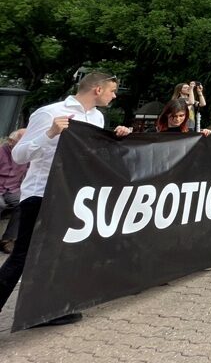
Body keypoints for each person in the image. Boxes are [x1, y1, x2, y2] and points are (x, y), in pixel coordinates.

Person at [0, 72, 132, 326]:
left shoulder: (96, 117)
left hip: (72, 193)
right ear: (97, 89)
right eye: (112, 90)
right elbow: (19, 155)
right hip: (40, 194)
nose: (114, 95)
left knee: (58, 254)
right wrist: (50, 133)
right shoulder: (50, 113)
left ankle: (40, 312)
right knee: (23, 256)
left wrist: (117, 137)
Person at [0, 129, 27, 254]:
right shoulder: (1, 152)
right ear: (11, 141)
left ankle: (8, 240)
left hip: (13, 190)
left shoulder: (26, 155)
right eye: (21, 142)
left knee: (24, 202)